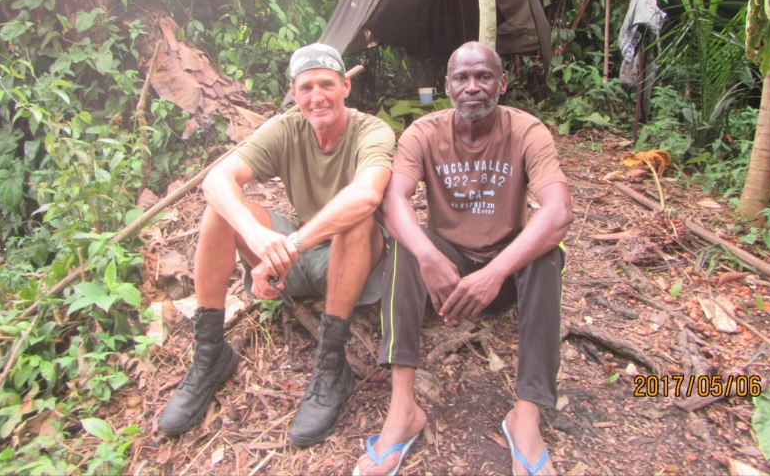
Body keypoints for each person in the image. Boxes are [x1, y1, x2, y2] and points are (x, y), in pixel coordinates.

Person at [158, 43, 395, 448]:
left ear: (345, 87)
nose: (316, 96)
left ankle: (331, 362)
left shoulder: (371, 130)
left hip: (354, 260)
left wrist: (293, 245)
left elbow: (368, 195)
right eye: (306, 88)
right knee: (220, 210)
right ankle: (211, 351)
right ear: (294, 92)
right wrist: (255, 236)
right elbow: (216, 180)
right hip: (297, 259)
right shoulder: (286, 128)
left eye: (326, 84)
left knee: (356, 218)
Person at [353, 41, 573, 476]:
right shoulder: (424, 133)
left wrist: (495, 272)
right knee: (404, 244)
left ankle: (525, 417)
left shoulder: (527, 131)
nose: (473, 87)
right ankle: (403, 410)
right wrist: (427, 255)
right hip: (448, 273)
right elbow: (393, 200)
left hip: (506, 273)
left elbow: (558, 212)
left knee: (547, 255)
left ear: (501, 84)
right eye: (462, 78)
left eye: (484, 77)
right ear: (448, 87)